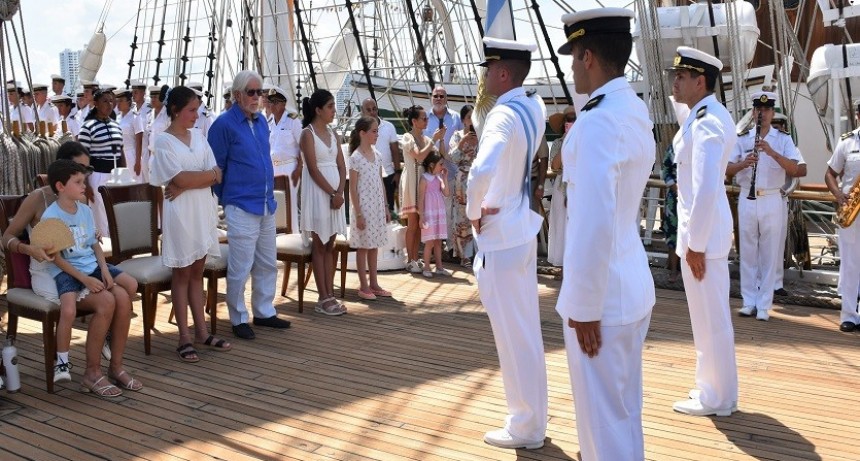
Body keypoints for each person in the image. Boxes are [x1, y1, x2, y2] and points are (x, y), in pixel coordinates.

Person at [554, 9, 656, 460]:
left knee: (603, 429)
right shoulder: (632, 109)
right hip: (628, 286)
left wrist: (584, 306)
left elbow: (593, 221)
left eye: (574, 58)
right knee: (622, 416)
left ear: (589, 56)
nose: (571, 68)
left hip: (604, 301)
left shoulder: (597, 121)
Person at [467, 37, 547, 450]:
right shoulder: (534, 106)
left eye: (488, 69)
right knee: (526, 332)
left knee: (510, 336)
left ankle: (525, 426)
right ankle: (532, 418)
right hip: (523, 227)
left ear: (501, 72)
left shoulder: (502, 115)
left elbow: (481, 169)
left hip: (499, 236)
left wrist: (472, 211)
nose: (484, 76)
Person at [668, 46, 739, 417]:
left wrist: (693, 245)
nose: (674, 82)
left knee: (712, 322)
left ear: (701, 82)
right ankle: (714, 390)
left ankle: (718, 397)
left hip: (704, 240)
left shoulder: (708, 122)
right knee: (707, 321)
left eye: (681, 77)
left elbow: (708, 187)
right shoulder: (701, 115)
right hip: (702, 237)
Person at [42, 159, 142, 398]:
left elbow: (93, 245)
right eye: (77, 182)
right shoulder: (51, 217)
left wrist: (106, 271)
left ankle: (116, 366)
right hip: (71, 273)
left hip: (92, 267)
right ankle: (92, 373)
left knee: (125, 293)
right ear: (60, 186)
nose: (84, 185)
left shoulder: (85, 209)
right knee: (109, 300)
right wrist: (86, 281)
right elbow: (56, 259)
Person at [208, 70, 292, 339]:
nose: (257, 98)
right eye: (251, 92)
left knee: (268, 262)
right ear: (237, 95)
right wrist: (229, 197)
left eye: (260, 93)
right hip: (241, 204)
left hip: (265, 203)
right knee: (241, 265)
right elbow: (216, 169)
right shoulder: (223, 125)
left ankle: (264, 311)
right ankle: (238, 317)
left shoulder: (261, 122)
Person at [150, 85, 229, 362]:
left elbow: (217, 173)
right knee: (182, 274)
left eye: (197, 110)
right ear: (176, 110)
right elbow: (180, 179)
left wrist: (186, 182)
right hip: (181, 213)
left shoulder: (199, 136)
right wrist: (191, 180)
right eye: (192, 111)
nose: (197, 116)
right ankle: (183, 336)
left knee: (197, 271)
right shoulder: (163, 141)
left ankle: (202, 331)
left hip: (201, 209)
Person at [726, 91, 806, 321]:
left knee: (770, 253)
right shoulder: (741, 138)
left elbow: (800, 170)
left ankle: (764, 304)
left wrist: (771, 152)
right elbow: (727, 169)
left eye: (767, 110)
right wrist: (743, 163)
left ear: (772, 112)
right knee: (748, 251)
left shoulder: (783, 139)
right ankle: (748, 301)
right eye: (758, 110)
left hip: (772, 197)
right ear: (753, 112)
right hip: (747, 197)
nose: (762, 113)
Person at [298, 89, 348, 316]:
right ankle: (323, 296)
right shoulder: (307, 134)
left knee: (331, 245)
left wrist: (340, 192)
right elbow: (312, 168)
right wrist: (332, 194)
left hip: (335, 194)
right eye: (330, 107)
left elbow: (341, 165)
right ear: (318, 110)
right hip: (319, 194)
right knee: (319, 244)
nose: (333, 111)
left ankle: (330, 293)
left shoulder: (333, 134)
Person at [347, 116, 392, 300]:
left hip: (377, 206)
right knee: (363, 246)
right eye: (374, 131)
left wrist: (387, 207)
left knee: (374, 246)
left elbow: (380, 182)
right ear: (362, 133)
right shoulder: (356, 157)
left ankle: (374, 283)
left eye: (377, 131)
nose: (377, 134)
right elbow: (352, 188)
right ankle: (363, 285)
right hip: (363, 208)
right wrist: (358, 213)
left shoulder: (377, 155)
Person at [825, 102, 860, 332]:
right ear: (858, 116)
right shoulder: (847, 141)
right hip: (852, 212)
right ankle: (848, 314)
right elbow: (830, 173)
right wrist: (838, 195)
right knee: (849, 264)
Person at [401, 105, 444, 273]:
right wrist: (433, 140)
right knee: (412, 223)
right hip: (412, 182)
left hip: (423, 183)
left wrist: (440, 139)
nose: (427, 121)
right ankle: (409, 259)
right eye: (424, 118)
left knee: (420, 224)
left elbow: (437, 157)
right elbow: (418, 156)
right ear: (414, 121)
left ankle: (416, 257)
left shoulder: (426, 139)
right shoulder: (407, 137)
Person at [78, 88, 124, 238]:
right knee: (100, 216)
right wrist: (86, 183)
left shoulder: (116, 125)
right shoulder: (88, 127)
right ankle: (105, 253)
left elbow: (120, 151)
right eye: (105, 101)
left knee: (116, 213)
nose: (109, 104)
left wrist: (124, 176)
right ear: (96, 104)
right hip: (97, 175)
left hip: (115, 176)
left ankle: (118, 249)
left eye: (111, 101)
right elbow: (82, 156)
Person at [268, 86, 304, 233]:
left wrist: (299, 169)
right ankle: (277, 240)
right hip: (273, 168)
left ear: (283, 104)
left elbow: (303, 145)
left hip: (290, 168)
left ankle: (293, 236)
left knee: (289, 205)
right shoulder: (269, 122)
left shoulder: (293, 121)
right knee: (275, 205)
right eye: (270, 102)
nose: (272, 105)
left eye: (275, 102)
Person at [448, 104, 478, 268]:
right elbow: (453, 158)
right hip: (462, 178)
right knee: (462, 217)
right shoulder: (457, 136)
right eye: (469, 118)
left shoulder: (482, 136)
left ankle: (478, 252)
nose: (471, 121)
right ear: (463, 120)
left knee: (479, 214)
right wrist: (463, 142)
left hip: (478, 178)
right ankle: (464, 255)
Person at [360, 98, 402, 217]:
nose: (372, 112)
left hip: (388, 176)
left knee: (388, 211)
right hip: (367, 177)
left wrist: (397, 173)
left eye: (374, 109)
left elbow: (395, 151)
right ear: (362, 111)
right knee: (369, 212)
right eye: (368, 110)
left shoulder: (389, 127)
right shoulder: (358, 130)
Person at [546, 106, 575, 268]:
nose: (569, 122)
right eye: (568, 119)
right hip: (561, 186)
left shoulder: (585, 142)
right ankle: (562, 263)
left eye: (573, 119)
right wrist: (567, 143)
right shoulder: (558, 143)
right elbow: (555, 166)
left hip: (579, 187)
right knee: (561, 223)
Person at [418, 151, 451, 278]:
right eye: (440, 164)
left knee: (438, 241)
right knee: (429, 242)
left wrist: (445, 178)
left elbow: (446, 193)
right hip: (429, 214)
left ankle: (439, 267)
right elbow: (420, 199)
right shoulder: (424, 178)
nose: (442, 166)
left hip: (438, 213)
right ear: (432, 165)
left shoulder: (439, 178)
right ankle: (426, 267)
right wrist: (421, 216)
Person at [115, 89, 146, 183]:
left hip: (131, 154)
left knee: (135, 183)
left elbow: (139, 141)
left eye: (121, 101)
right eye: (117, 101)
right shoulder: (118, 118)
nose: (118, 104)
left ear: (128, 101)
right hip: (120, 155)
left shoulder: (135, 117)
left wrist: (137, 162)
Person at [661, 145, 681, 282]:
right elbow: (665, 171)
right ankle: (673, 271)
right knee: (673, 234)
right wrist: (675, 188)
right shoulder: (674, 146)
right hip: (674, 198)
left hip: (695, 197)